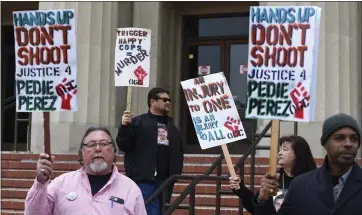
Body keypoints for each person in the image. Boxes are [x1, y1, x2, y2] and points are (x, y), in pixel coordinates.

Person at [253, 113, 362, 215]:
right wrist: (262, 201)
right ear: (325, 143)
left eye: (354, 138)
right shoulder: (300, 185)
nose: (348, 144)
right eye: (340, 138)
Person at [24, 126, 146, 215]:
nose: (98, 149)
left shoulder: (130, 190)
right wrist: (41, 181)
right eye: (91, 145)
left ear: (113, 151)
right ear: (82, 152)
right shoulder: (61, 184)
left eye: (104, 144)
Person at [116, 87, 184, 215]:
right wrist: (124, 127)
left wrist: (177, 170)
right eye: (164, 99)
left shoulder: (172, 126)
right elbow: (124, 145)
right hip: (144, 180)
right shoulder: (137, 122)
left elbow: (179, 150)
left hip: (166, 180)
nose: (168, 102)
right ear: (153, 102)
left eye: (169, 100)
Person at [229, 135, 317, 214]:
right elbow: (257, 209)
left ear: (298, 153)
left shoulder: (314, 180)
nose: (279, 153)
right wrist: (241, 189)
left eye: (285, 149)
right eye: (280, 149)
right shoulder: (274, 179)